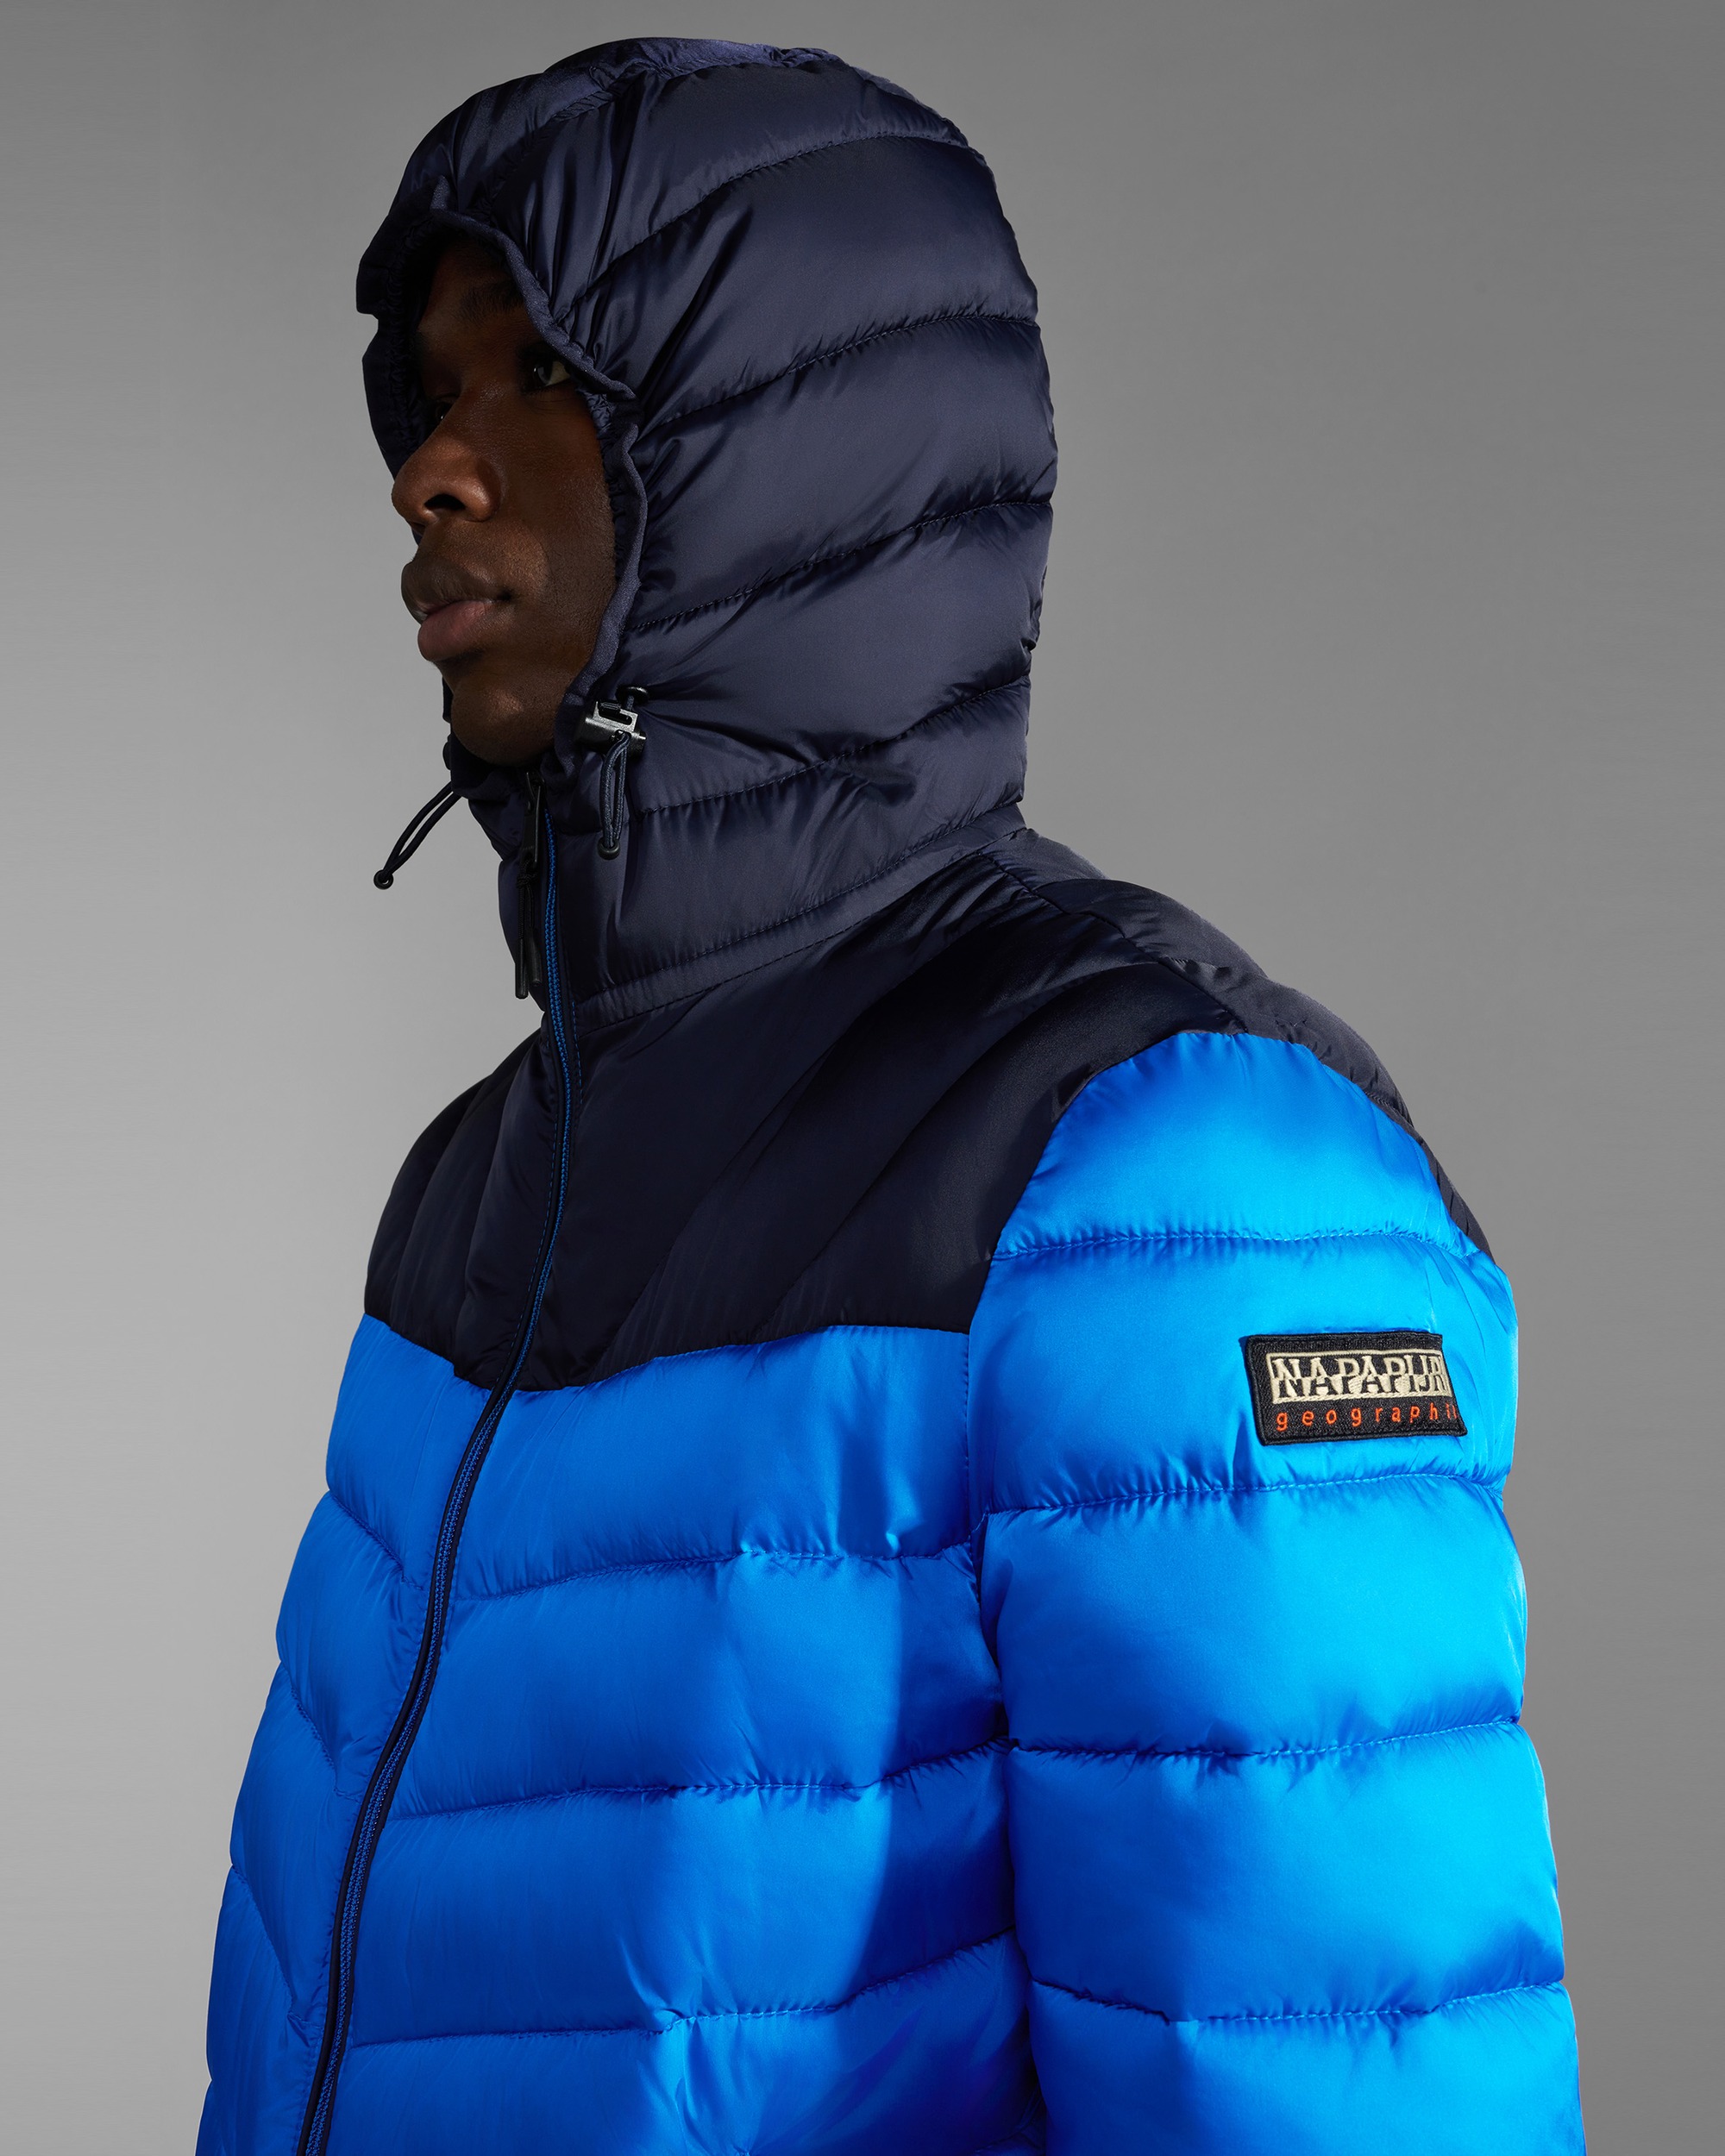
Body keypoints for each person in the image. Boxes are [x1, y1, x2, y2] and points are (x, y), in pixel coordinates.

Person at [197, 37, 1584, 2156]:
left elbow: (1341, 2078)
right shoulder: (477, 1182)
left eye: (536, 375)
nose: (431, 473)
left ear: (789, 467)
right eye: (432, 390)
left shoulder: (1172, 1162)